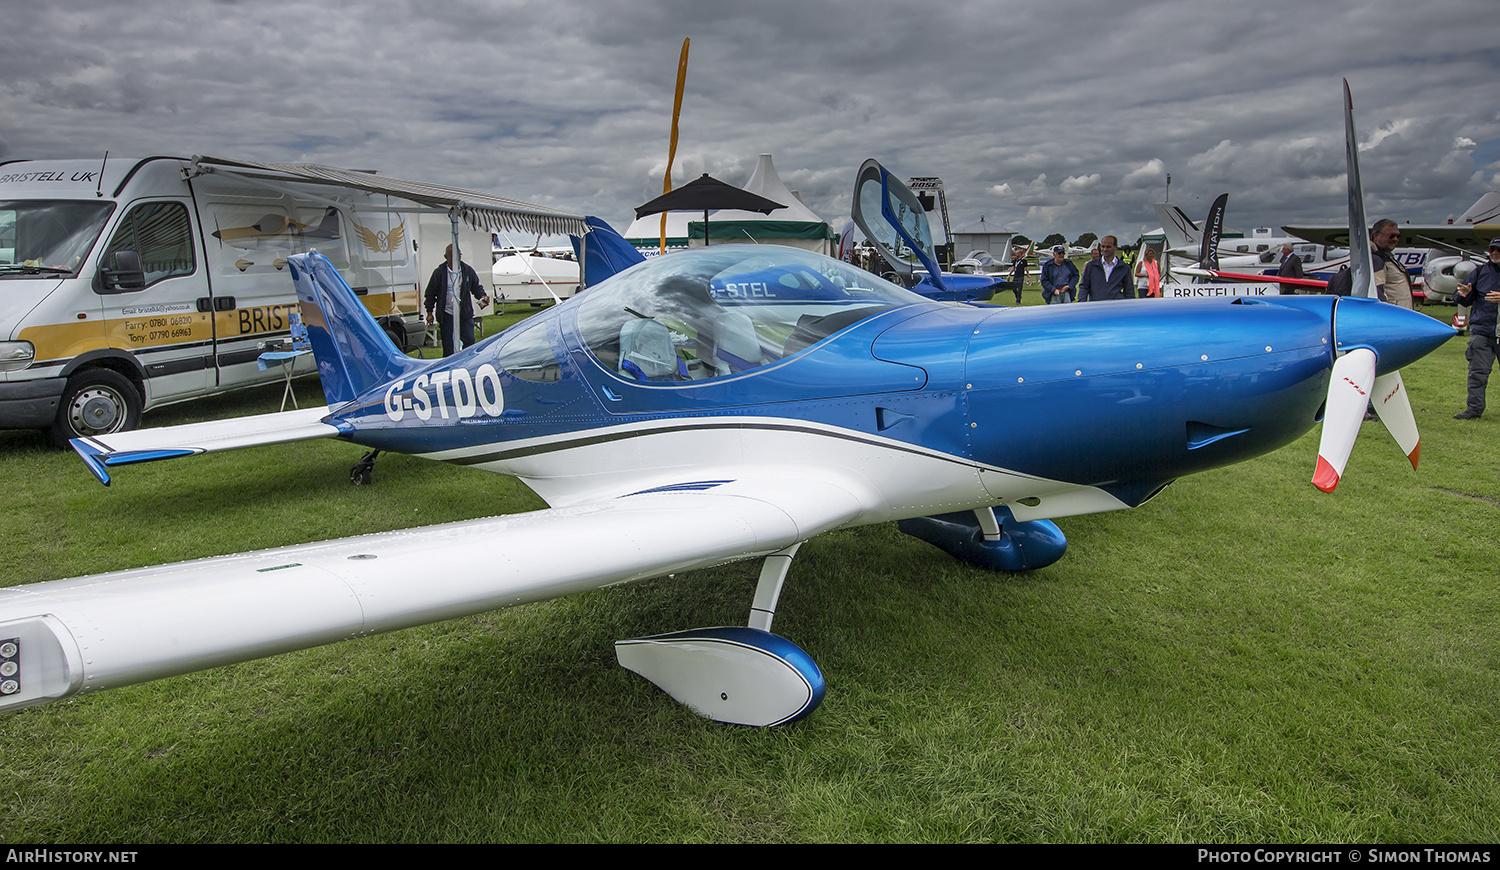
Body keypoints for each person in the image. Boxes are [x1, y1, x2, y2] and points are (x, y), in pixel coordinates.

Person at [1451, 238, 1500, 419]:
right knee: (1477, 374)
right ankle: (1473, 411)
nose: (1494, 252)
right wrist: (1463, 294)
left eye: (1498, 249)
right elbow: (1462, 296)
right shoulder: (1480, 272)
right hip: (1482, 332)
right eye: (1491, 249)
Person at [424, 244, 489, 357]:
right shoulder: (439, 273)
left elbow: (476, 287)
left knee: (469, 339)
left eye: (458, 256)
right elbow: (430, 294)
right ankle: (449, 367)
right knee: (448, 346)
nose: (456, 259)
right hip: (446, 314)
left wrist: (482, 297)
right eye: (452, 256)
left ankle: (467, 361)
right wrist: (429, 312)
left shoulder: (467, 270)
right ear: (446, 256)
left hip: (464, 313)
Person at [1370, 219, 1413, 309]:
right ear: (1376, 236)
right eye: (1391, 236)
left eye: (1398, 236)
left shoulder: (1387, 258)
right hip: (1393, 316)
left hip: (1401, 315)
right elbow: (1377, 294)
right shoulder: (1376, 260)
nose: (1395, 239)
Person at [1078, 235, 1135, 301]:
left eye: (1108, 247)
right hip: (1096, 305)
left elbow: (1129, 290)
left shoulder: (1124, 267)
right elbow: (1084, 286)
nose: (1105, 249)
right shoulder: (1091, 266)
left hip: (1116, 306)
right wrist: (1082, 301)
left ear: (1115, 247)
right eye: (1103, 246)